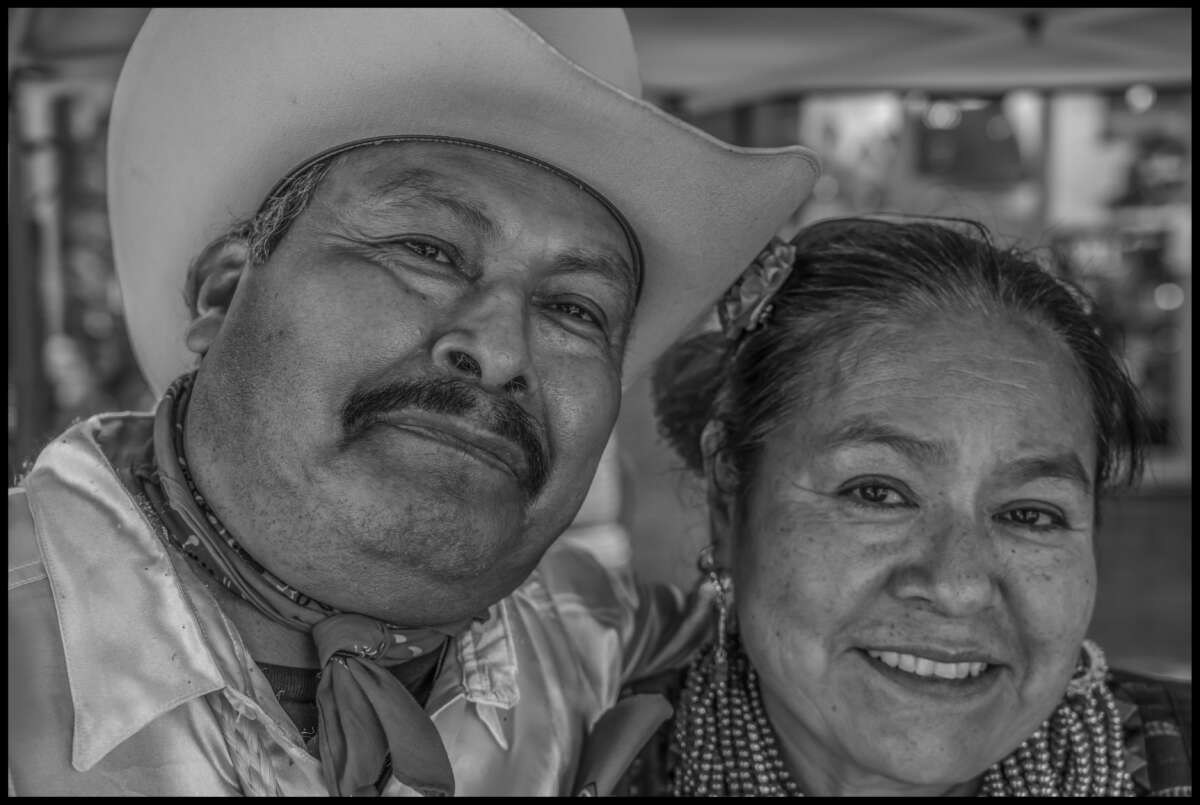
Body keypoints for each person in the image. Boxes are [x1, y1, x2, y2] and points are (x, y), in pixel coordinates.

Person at [7, 8, 821, 796]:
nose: (500, 351)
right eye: (426, 250)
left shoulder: (597, 646)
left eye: (576, 309)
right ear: (224, 294)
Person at [616, 217, 1191, 797]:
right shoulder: (594, 762)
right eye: (877, 493)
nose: (958, 587)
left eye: (1029, 514)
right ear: (727, 497)